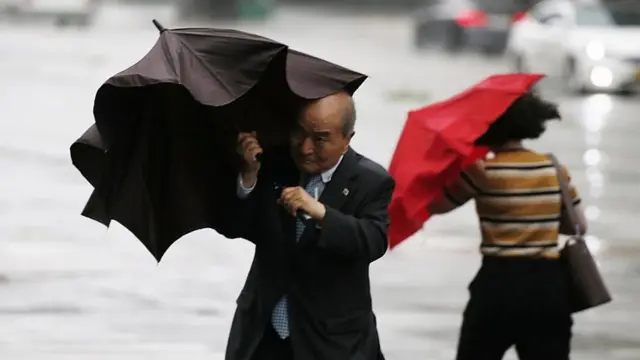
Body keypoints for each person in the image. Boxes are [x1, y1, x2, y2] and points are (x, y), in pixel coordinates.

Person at [221, 91, 394, 360]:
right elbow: (235, 227)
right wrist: (248, 177)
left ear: (347, 139)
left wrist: (322, 214)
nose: (305, 147)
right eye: (299, 133)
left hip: (332, 343)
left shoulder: (371, 181)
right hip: (262, 336)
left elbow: (373, 241)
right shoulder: (273, 164)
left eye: (320, 138)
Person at [428, 92, 588, 360]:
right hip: (548, 287)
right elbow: (580, 225)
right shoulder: (554, 169)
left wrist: (449, 166)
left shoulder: (481, 171)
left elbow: (437, 206)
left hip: (497, 285)